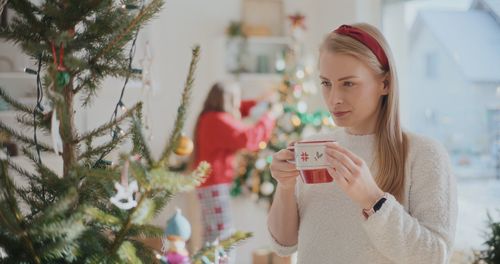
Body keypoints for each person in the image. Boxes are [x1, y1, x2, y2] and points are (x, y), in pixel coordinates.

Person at [267, 23, 457, 263]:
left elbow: (435, 256)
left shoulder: (424, 154)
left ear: (385, 84)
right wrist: (284, 186)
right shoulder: (314, 149)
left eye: (348, 83)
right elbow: (284, 245)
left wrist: (373, 199)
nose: (334, 99)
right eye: (326, 83)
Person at [193, 81, 276, 245]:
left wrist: (260, 102)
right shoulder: (217, 120)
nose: (239, 103)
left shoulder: (210, 116)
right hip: (214, 187)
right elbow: (248, 138)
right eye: (236, 99)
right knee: (222, 238)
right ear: (228, 100)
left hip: (210, 185)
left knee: (213, 237)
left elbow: (241, 110)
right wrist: (269, 116)